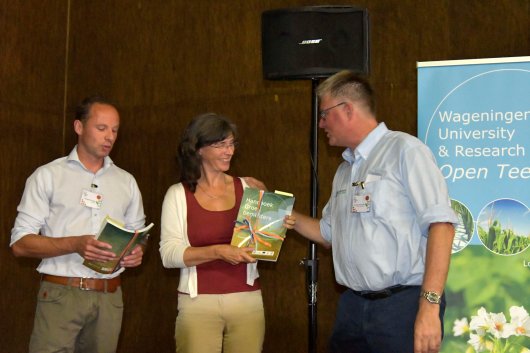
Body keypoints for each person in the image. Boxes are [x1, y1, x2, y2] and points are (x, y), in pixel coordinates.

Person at [292, 71, 458, 353]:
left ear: (347, 109)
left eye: (324, 114)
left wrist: (429, 306)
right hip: (353, 307)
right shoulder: (345, 170)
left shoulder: (405, 150)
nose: (320, 124)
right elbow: (326, 233)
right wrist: (273, 209)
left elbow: (441, 226)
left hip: (401, 305)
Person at [10, 95, 147, 353]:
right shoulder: (48, 176)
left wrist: (136, 252)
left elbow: (138, 235)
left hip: (109, 297)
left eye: (115, 130)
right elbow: (20, 244)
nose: (110, 137)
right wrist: (74, 244)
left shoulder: (126, 181)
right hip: (62, 294)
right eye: (101, 128)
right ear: (79, 127)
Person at [159, 113, 294, 353]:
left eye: (231, 144)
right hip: (197, 303)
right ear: (198, 149)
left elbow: (263, 245)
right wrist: (219, 252)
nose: (228, 151)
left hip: (247, 300)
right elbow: (169, 255)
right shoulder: (177, 195)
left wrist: (276, 223)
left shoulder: (249, 187)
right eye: (220, 145)